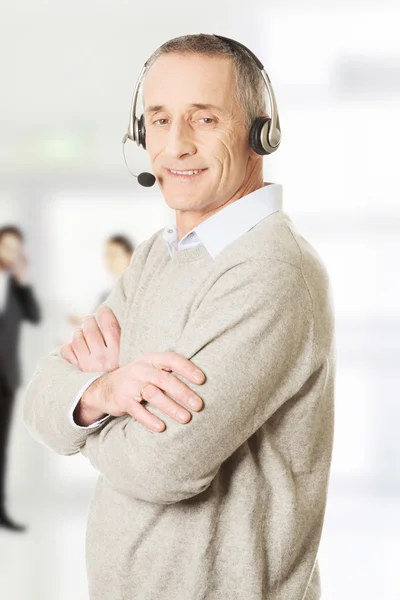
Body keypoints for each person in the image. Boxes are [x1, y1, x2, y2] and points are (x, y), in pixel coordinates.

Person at [23, 34, 335, 599]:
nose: (176, 146)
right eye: (159, 120)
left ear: (261, 132)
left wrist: (88, 408)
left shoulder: (270, 271)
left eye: (205, 119)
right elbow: (41, 400)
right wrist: (108, 392)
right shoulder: (156, 255)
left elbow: (165, 469)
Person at [0, 225, 41, 532]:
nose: (10, 253)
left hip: (5, 377)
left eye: (16, 248)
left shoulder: (16, 287)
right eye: (6, 246)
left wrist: (24, 283)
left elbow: (34, 316)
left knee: (1, 448)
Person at [67, 234, 135, 327]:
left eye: (113, 255)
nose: (109, 261)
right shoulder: (106, 294)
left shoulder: (135, 289)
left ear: (129, 256)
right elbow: (96, 319)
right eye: (107, 256)